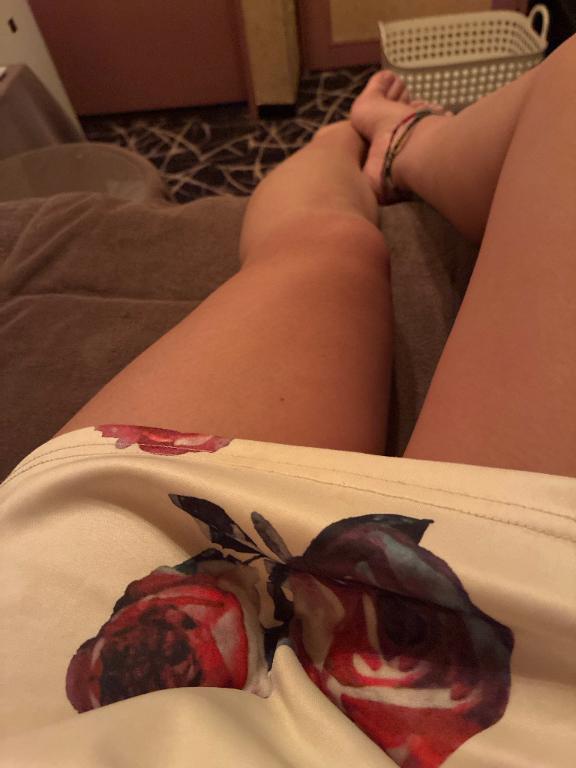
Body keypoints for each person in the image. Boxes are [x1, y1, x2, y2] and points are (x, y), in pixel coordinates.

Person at [1, 34, 575, 768]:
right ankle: (401, 135)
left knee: (324, 246)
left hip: (52, 657)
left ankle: (359, 137)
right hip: (536, 669)